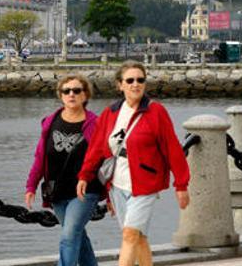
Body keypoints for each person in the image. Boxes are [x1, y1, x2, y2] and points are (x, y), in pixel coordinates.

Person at [76, 61, 190, 266]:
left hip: (145, 184)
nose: (135, 84)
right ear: (120, 85)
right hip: (118, 184)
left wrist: (181, 185)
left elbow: (172, 149)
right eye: (130, 80)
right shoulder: (110, 113)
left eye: (140, 80)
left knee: (129, 235)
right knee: (138, 237)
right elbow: (97, 148)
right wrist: (85, 175)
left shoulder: (156, 112)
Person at [25, 74, 103, 266]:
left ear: (85, 95)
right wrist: (31, 186)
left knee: (69, 235)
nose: (71, 94)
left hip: (86, 191)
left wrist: (109, 195)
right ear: (61, 95)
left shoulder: (96, 124)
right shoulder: (50, 122)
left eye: (77, 90)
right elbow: (40, 157)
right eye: (66, 91)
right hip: (57, 191)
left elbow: (105, 160)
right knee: (77, 235)